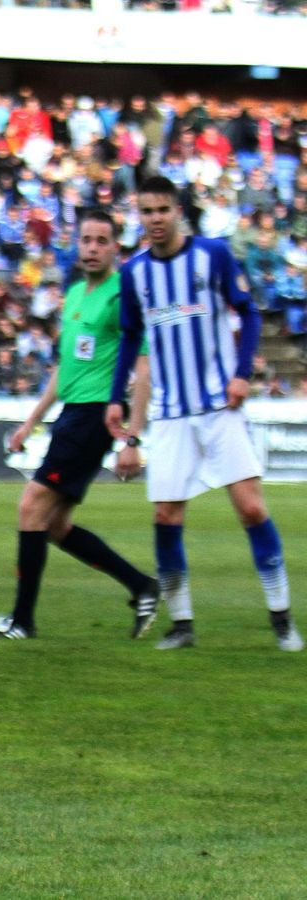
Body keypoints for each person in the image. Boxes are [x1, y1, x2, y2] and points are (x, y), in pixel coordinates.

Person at [108, 176, 302, 653]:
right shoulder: (135, 273)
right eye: (146, 211)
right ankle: (182, 624)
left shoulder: (211, 255)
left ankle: (281, 618)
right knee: (166, 514)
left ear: (178, 212)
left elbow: (249, 313)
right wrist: (117, 397)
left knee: (251, 508)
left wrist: (241, 374)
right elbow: (131, 337)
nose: (154, 219)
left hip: (219, 406)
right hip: (172, 415)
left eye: (162, 210)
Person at [0, 210, 159, 641]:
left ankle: (22, 621)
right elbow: (65, 367)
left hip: (96, 415)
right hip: (72, 414)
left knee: (31, 506)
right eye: (86, 239)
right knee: (53, 525)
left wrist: (132, 438)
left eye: (102, 240)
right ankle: (141, 586)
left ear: (115, 248)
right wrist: (32, 420)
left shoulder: (122, 295)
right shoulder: (76, 294)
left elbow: (142, 367)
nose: (92, 248)